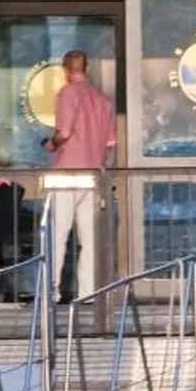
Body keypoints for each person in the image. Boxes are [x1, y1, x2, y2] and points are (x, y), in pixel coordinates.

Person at [42, 49, 116, 301]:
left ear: (65, 69)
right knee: (90, 239)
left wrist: (50, 145)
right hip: (93, 174)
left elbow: (64, 132)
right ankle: (88, 293)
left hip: (67, 174)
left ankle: (51, 291)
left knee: (58, 235)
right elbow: (110, 143)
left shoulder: (67, 93)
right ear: (86, 68)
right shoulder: (102, 101)